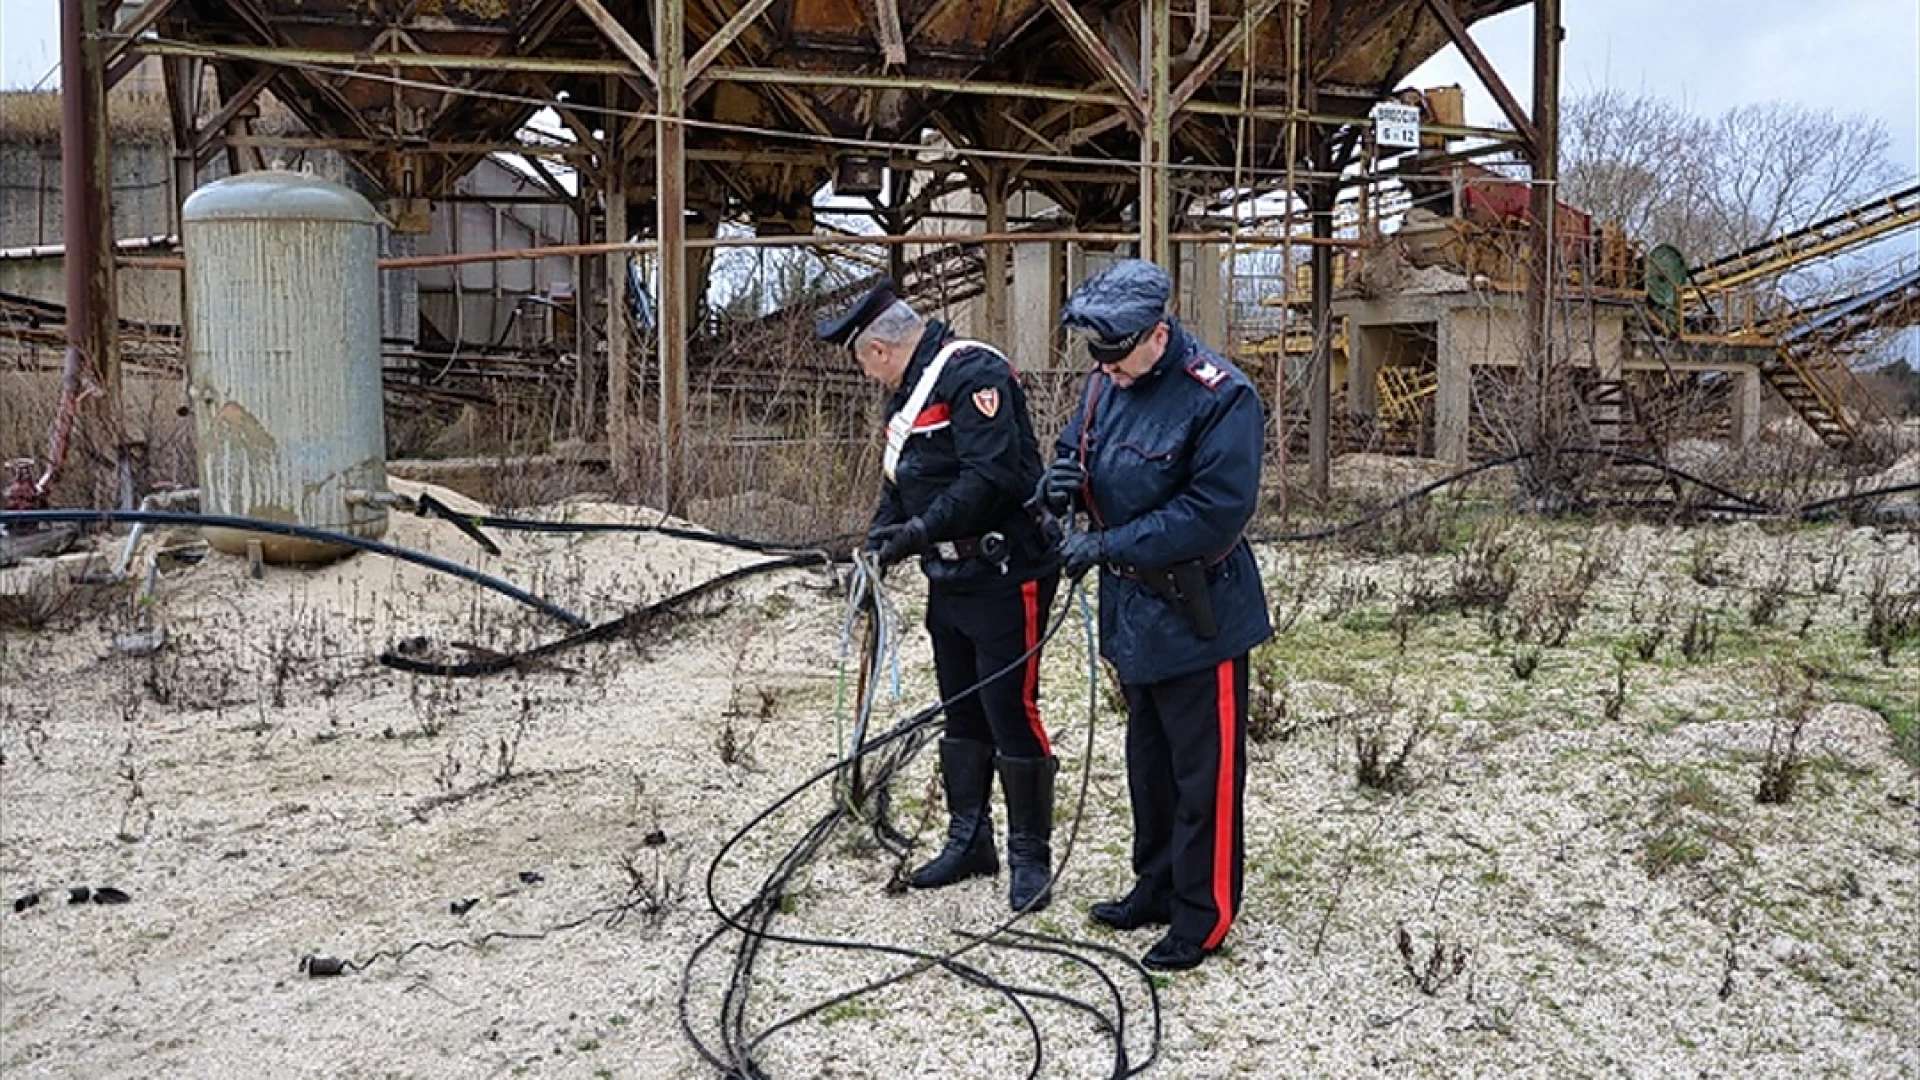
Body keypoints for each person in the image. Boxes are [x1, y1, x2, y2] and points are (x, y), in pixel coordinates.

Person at [1035, 258, 1271, 971]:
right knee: (1150, 761)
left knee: (1206, 771)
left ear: (1157, 333)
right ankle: (1157, 885)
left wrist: (1103, 542)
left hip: (1199, 608)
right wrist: (1058, 485)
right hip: (1131, 607)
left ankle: (1203, 914)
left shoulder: (1221, 397)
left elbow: (1212, 512)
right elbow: (1072, 448)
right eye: (1095, 357)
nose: (1104, 370)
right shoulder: (1106, 383)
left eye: (1117, 355)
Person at [817, 280, 1064, 912]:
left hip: (1007, 572)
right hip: (950, 578)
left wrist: (919, 532)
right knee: (962, 707)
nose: (869, 378)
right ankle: (969, 838)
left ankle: (1030, 855)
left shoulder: (971, 372)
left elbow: (993, 477)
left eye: (864, 364)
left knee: (1011, 708)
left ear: (877, 350)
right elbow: (902, 482)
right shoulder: (908, 396)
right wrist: (879, 541)